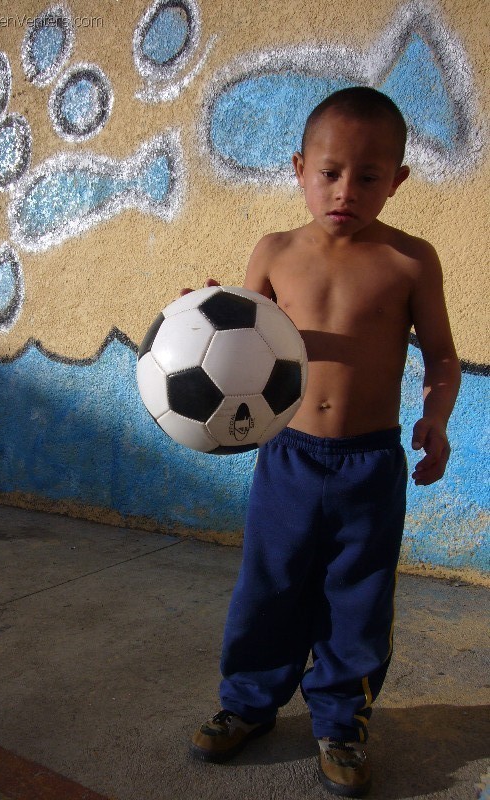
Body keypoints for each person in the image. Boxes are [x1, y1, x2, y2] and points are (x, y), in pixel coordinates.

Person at [186, 87, 461, 797]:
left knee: (358, 597)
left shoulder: (410, 261)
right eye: (330, 172)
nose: (346, 190)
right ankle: (246, 703)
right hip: (289, 456)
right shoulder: (275, 251)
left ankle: (341, 720)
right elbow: (243, 344)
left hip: (371, 461)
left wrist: (437, 416)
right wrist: (214, 324)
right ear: (299, 167)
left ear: (397, 180)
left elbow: (440, 355)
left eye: (369, 177)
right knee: (269, 586)